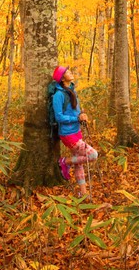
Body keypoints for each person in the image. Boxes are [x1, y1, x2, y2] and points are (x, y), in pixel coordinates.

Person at [51, 65, 98, 198]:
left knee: (79, 163)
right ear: (61, 78)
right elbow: (59, 117)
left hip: (76, 131)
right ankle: (64, 162)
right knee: (93, 155)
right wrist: (76, 118)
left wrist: (82, 115)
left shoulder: (72, 91)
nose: (71, 73)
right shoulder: (58, 95)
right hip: (67, 134)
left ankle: (83, 194)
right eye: (67, 72)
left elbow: (76, 111)